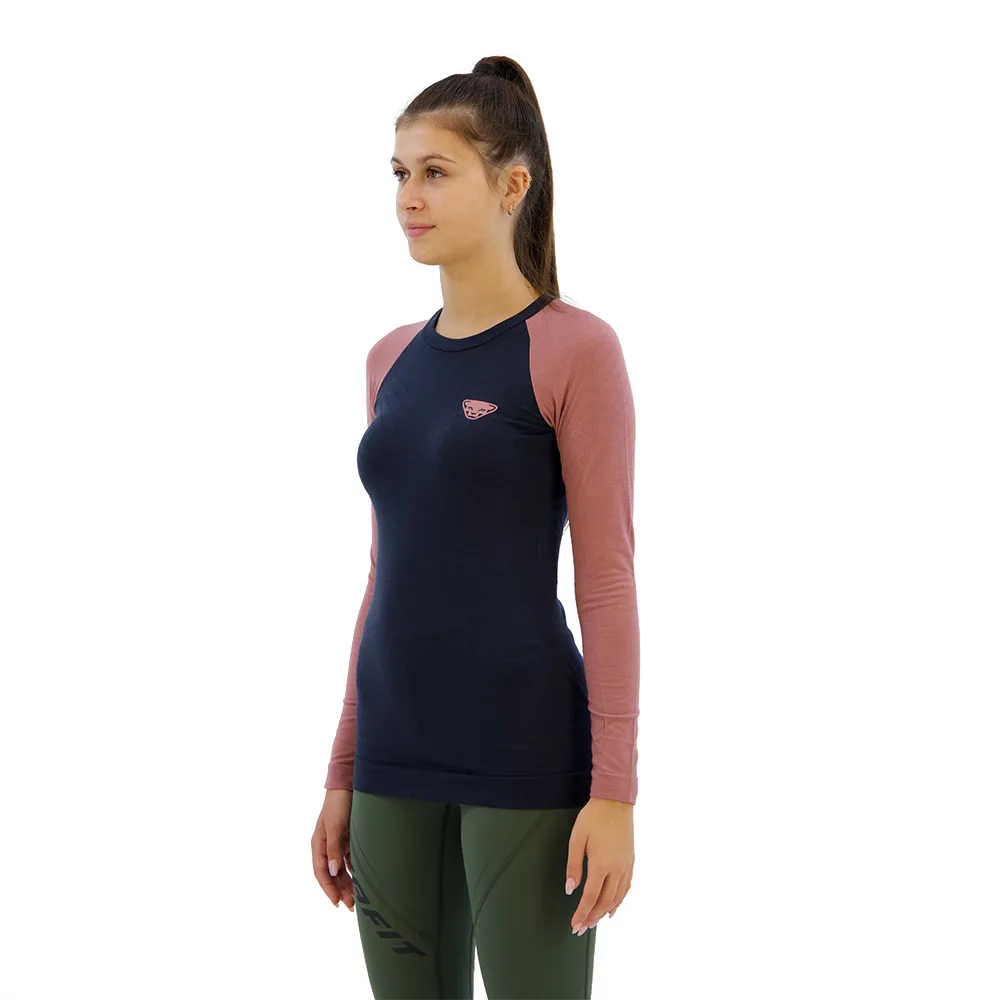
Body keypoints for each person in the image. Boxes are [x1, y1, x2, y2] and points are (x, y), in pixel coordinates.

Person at [310, 54, 639, 999]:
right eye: (399, 173)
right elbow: (385, 576)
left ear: (512, 186)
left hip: (524, 751)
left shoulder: (575, 349)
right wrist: (342, 767)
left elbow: (607, 582)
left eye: (435, 171)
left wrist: (614, 791)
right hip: (391, 753)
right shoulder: (390, 360)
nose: (408, 197)